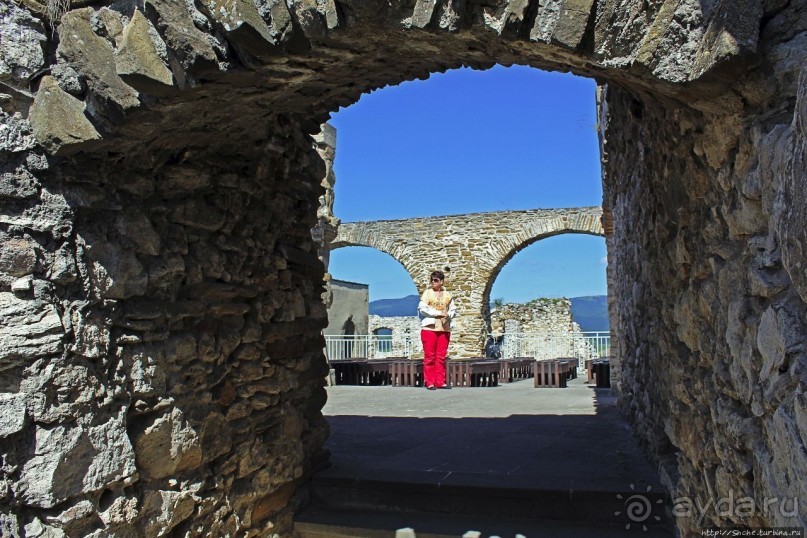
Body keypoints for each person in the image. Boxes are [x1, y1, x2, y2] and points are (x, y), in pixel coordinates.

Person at [418, 270, 456, 390]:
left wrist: (448, 315)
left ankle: (440, 381)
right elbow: (422, 308)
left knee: (441, 356)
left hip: (444, 329)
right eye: (432, 280)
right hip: (430, 328)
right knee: (430, 356)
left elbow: (453, 309)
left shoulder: (447, 295)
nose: (433, 282)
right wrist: (438, 313)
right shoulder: (427, 293)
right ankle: (429, 381)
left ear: (441, 281)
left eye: (435, 280)